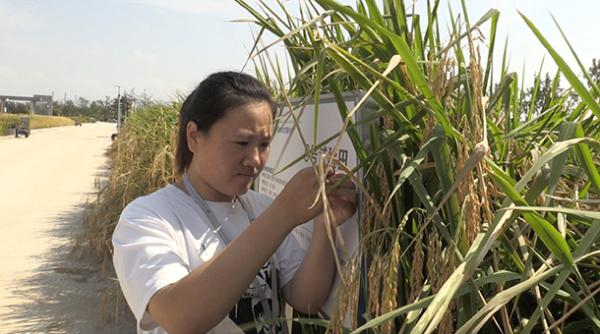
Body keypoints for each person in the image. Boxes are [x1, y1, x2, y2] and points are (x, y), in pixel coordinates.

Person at [112, 71, 358, 334]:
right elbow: (179, 318)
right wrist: (284, 214)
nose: (254, 159)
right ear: (194, 136)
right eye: (241, 143)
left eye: (264, 144)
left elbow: (304, 299)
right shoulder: (148, 217)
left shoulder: (261, 206)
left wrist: (325, 226)